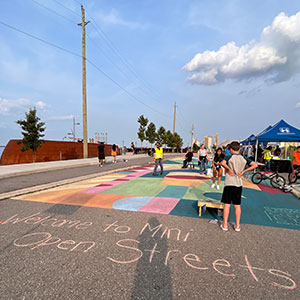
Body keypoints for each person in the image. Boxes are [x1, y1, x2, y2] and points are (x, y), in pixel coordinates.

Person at [220, 141, 257, 232]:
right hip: (238, 183)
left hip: (229, 183)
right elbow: (255, 165)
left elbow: (222, 163)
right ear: (239, 149)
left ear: (231, 149)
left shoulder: (229, 157)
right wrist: (243, 172)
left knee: (227, 205)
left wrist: (229, 169)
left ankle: (225, 225)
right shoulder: (244, 158)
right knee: (237, 205)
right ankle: (237, 225)